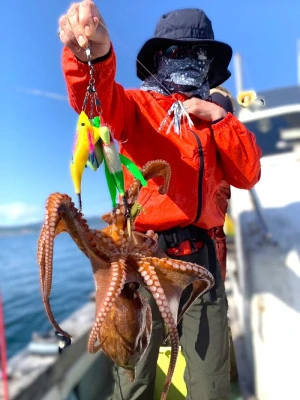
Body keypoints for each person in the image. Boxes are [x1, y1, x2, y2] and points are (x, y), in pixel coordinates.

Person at [58, 3, 261, 399]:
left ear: (209, 66)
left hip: (200, 262)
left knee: (211, 384)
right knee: (133, 376)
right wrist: (92, 56)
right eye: (175, 52)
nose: (187, 61)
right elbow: (93, 102)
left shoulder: (219, 121)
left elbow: (249, 173)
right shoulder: (137, 108)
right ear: (158, 59)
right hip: (141, 253)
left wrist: (217, 118)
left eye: (197, 54)